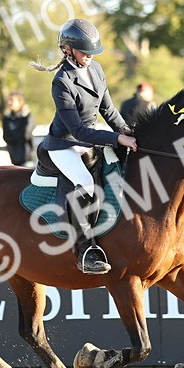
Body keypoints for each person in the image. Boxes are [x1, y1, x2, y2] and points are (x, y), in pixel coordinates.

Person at [34, 19, 138, 275]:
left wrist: (127, 133)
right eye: (84, 52)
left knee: (117, 166)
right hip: (65, 144)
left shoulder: (97, 69)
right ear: (67, 50)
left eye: (92, 52)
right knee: (85, 183)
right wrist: (116, 139)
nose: (89, 56)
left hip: (91, 139)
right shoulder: (62, 81)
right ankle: (84, 251)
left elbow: (109, 110)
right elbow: (77, 130)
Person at [1, 92, 36, 166]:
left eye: (12, 100)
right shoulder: (7, 118)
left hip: (27, 157)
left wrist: (14, 137)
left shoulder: (27, 117)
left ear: (20, 102)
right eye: (9, 100)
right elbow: (6, 136)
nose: (9, 102)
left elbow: (26, 134)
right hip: (13, 157)